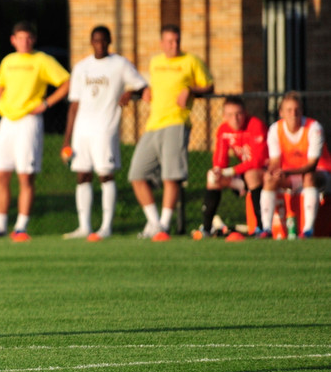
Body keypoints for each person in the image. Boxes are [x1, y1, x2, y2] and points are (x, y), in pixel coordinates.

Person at [128, 24, 214, 240]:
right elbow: (155, 86)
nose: (174, 45)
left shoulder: (191, 61)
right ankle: (154, 222)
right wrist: (147, 91)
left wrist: (190, 89)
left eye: (177, 41)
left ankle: (164, 225)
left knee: (171, 176)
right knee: (136, 174)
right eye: (169, 41)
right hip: (153, 125)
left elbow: (209, 86)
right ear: (161, 43)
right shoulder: (155, 62)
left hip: (176, 122)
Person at [61, 26, 147, 241]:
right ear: (91, 42)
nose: (99, 44)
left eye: (103, 40)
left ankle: (106, 226)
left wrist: (130, 92)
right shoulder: (81, 67)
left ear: (109, 41)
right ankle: (84, 226)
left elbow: (141, 84)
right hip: (82, 130)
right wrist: (67, 139)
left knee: (105, 174)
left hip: (104, 128)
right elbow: (74, 105)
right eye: (96, 40)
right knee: (82, 175)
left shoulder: (119, 64)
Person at [0, 21, 70, 241]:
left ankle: (21, 227)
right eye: (20, 38)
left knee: (25, 176)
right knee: (0, 174)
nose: (24, 42)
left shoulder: (42, 60)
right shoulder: (8, 61)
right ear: (13, 40)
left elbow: (66, 82)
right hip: (8, 120)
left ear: (33, 39)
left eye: (28, 38)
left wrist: (46, 103)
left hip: (29, 121)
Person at [257, 91, 331, 239]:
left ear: (302, 111)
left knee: (308, 176)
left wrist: (286, 172)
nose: (293, 114)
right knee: (269, 179)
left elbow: (312, 165)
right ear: (281, 113)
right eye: (289, 110)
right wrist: (272, 172)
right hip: (290, 175)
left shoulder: (314, 128)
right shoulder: (275, 129)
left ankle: (308, 230)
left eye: (297, 110)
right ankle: (266, 229)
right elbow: (275, 161)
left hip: (321, 174)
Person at [195, 95, 268, 239]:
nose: (235, 119)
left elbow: (257, 161)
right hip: (243, 175)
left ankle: (261, 228)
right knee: (212, 177)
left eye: (238, 114)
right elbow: (220, 158)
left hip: (264, 174)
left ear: (245, 113)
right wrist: (218, 170)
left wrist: (230, 171)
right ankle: (206, 228)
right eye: (230, 115)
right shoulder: (224, 130)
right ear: (224, 116)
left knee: (251, 174)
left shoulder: (255, 125)